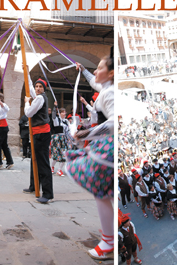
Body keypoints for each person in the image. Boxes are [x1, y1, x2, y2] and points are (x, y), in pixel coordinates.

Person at [65, 55, 114, 260]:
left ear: (111, 73)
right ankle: (110, 238)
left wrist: (87, 133)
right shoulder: (106, 89)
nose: (95, 72)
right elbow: (94, 81)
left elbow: (113, 123)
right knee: (105, 194)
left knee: (101, 193)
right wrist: (83, 70)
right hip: (106, 146)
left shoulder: (110, 93)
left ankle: (109, 241)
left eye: (99, 68)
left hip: (108, 148)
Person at [22, 77, 54, 204]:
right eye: (37, 86)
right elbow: (30, 86)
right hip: (37, 133)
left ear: (44, 89)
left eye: (40, 86)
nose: (38, 88)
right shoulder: (37, 96)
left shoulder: (40, 98)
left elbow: (28, 113)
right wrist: (27, 71)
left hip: (42, 133)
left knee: (42, 163)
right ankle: (34, 186)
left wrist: (26, 102)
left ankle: (47, 193)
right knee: (34, 160)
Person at [50, 102, 70, 176]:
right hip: (57, 139)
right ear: (59, 113)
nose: (64, 113)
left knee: (64, 155)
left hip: (64, 139)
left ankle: (59, 170)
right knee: (56, 155)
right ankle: (52, 167)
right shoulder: (56, 120)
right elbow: (53, 115)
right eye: (63, 112)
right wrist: (55, 107)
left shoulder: (66, 121)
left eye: (65, 112)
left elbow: (68, 131)